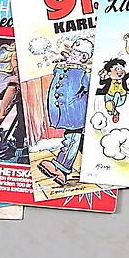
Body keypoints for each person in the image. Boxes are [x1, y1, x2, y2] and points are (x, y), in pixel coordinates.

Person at [37, 38, 93, 188]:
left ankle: (61, 168)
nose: (69, 55)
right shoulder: (64, 69)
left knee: (72, 139)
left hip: (76, 114)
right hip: (67, 114)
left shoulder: (84, 73)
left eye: (74, 53)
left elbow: (90, 91)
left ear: (83, 57)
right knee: (76, 140)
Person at [97, 57, 129, 123]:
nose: (120, 71)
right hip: (109, 97)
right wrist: (102, 76)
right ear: (109, 73)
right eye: (117, 69)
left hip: (120, 98)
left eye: (121, 69)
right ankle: (114, 112)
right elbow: (101, 83)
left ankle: (112, 109)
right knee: (109, 103)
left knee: (117, 94)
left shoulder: (123, 79)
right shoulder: (109, 80)